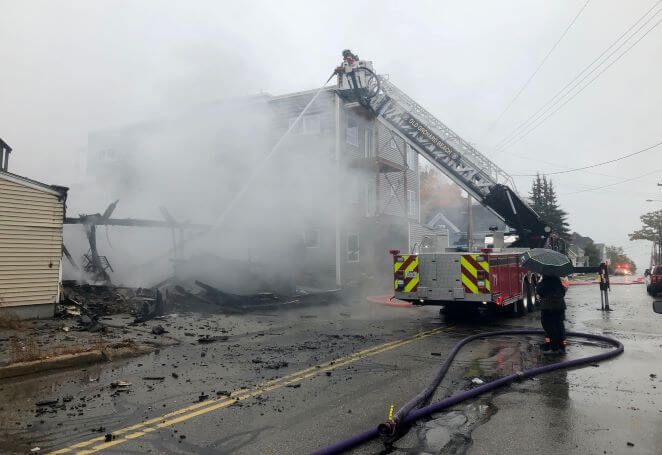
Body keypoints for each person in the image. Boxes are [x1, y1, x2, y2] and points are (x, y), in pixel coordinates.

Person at [536, 274, 567, 355]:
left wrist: (539, 282)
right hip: (560, 307)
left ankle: (554, 348)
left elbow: (539, 290)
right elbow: (563, 292)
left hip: (548, 307)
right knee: (559, 326)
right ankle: (561, 347)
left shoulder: (545, 280)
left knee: (549, 327)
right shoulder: (557, 280)